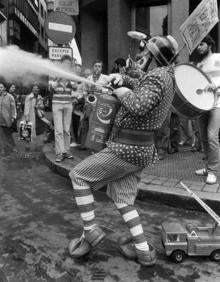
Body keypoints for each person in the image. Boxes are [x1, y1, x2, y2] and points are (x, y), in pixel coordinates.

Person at [68, 35, 179, 266]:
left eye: (146, 52)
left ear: (152, 55)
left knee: (78, 175)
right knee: (123, 199)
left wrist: (122, 93)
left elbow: (138, 105)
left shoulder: (157, 77)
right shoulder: (166, 75)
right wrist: (124, 78)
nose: (142, 56)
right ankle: (143, 252)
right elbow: (143, 84)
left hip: (126, 147)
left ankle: (90, 231)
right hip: (141, 150)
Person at [194, 35, 220, 184]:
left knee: (212, 137)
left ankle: (213, 171)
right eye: (197, 45)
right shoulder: (199, 65)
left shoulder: (218, 57)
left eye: (201, 44)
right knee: (203, 138)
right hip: (203, 105)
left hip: (218, 103)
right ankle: (207, 166)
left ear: (210, 45)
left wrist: (215, 85)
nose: (199, 47)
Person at [49, 55, 75, 162]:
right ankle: (59, 153)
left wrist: (69, 78)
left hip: (68, 103)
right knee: (58, 130)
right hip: (57, 104)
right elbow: (50, 88)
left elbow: (76, 87)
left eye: (68, 63)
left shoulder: (72, 74)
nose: (66, 65)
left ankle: (66, 151)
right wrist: (58, 78)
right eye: (65, 63)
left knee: (66, 130)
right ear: (61, 63)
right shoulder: (54, 72)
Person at [0, 82, 17, 156]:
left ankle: (13, 146)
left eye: (1, 87)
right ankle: (3, 149)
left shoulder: (10, 97)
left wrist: (13, 117)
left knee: (8, 134)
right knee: (1, 134)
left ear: (5, 88)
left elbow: (13, 108)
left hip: (7, 119)